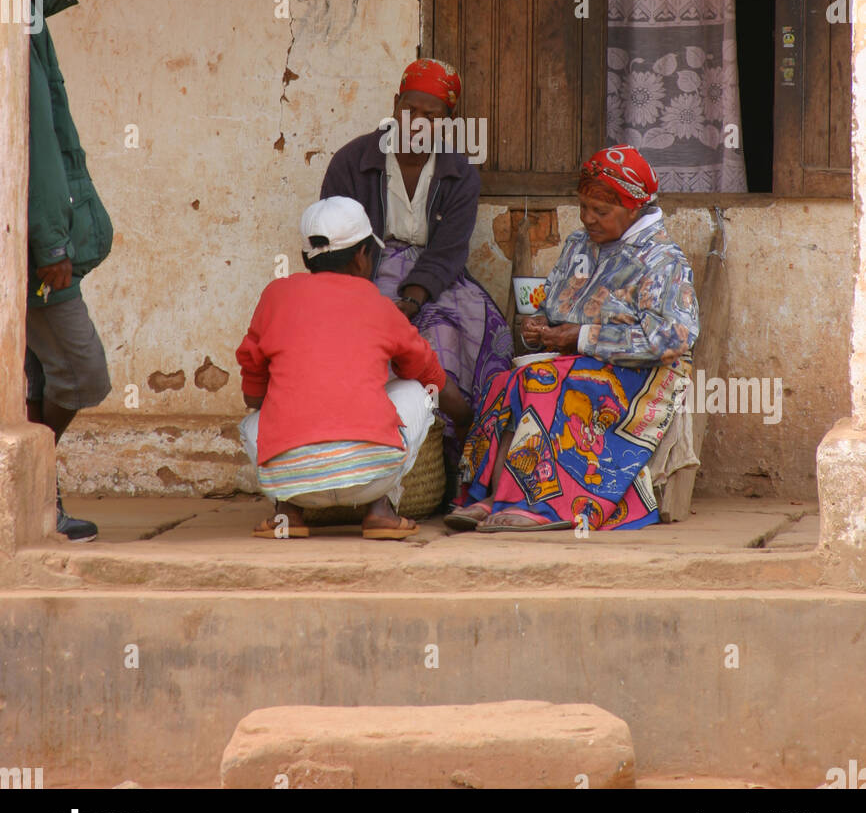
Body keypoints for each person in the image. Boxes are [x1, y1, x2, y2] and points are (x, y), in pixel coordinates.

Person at [446, 146, 699, 533]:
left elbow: (672, 339)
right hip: (575, 360)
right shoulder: (579, 246)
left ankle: (540, 502)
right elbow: (553, 303)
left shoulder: (663, 259)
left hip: (641, 375)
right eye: (584, 207)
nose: (588, 219)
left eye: (601, 211)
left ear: (633, 208)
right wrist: (541, 327)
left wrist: (582, 337)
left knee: (541, 383)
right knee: (503, 381)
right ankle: (495, 494)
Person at [319, 58, 513, 476]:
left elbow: (449, 249)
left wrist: (412, 299)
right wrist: (366, 301)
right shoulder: (352, 162)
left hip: (435, 279)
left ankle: (449, 463)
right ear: (395, 105)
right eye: (412, 109)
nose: (420, 121)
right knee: (365, 343)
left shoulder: (460, 174)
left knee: (454, 336)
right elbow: (335, 240)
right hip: (364, 274)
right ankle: (373, 455)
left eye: (433, 114)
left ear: (448, 122)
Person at [236, 196, 466, 540]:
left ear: (304, 256)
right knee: (416, 389)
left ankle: (288, 512)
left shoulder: (275, 296)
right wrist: (467, 420)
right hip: (371, 477)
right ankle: (380, 510)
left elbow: (253, 393)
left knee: (253, 420)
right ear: (363, 257)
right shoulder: (379, 304)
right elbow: (429, 373)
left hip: (292, 479)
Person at [25, 0, 113, 542]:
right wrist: (52, 244)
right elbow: (35, 144)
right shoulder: (14, 14)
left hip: (29, 244)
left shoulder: (26, 10)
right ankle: (27, 486)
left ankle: (38, 502)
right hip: (35, 251)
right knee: (81, 372)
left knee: (36, 377)